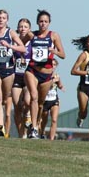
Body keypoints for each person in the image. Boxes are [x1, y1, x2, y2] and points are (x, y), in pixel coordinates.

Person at [0, 9, 26, 137]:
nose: (1, 20)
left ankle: (0, 122)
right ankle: (1, 127)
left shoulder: (11, 33)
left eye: (3, 18)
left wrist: (10, 46)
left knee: (3, 99)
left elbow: (23, 48)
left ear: (7, 20)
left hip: (8, 71)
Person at [25, 10, 65, 139]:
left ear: (49, 23)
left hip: (47, 74)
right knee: (34, 97)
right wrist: (19, 55)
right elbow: (19, 43)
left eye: (45, 22)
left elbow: (63, 55)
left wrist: (54, 51)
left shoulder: (54, 36)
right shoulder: (31, 35)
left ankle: (36, 124)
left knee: (41, 103)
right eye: (41, 21)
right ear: (37, 22)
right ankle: (34, 128)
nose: (43, 24)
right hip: (32, 70)